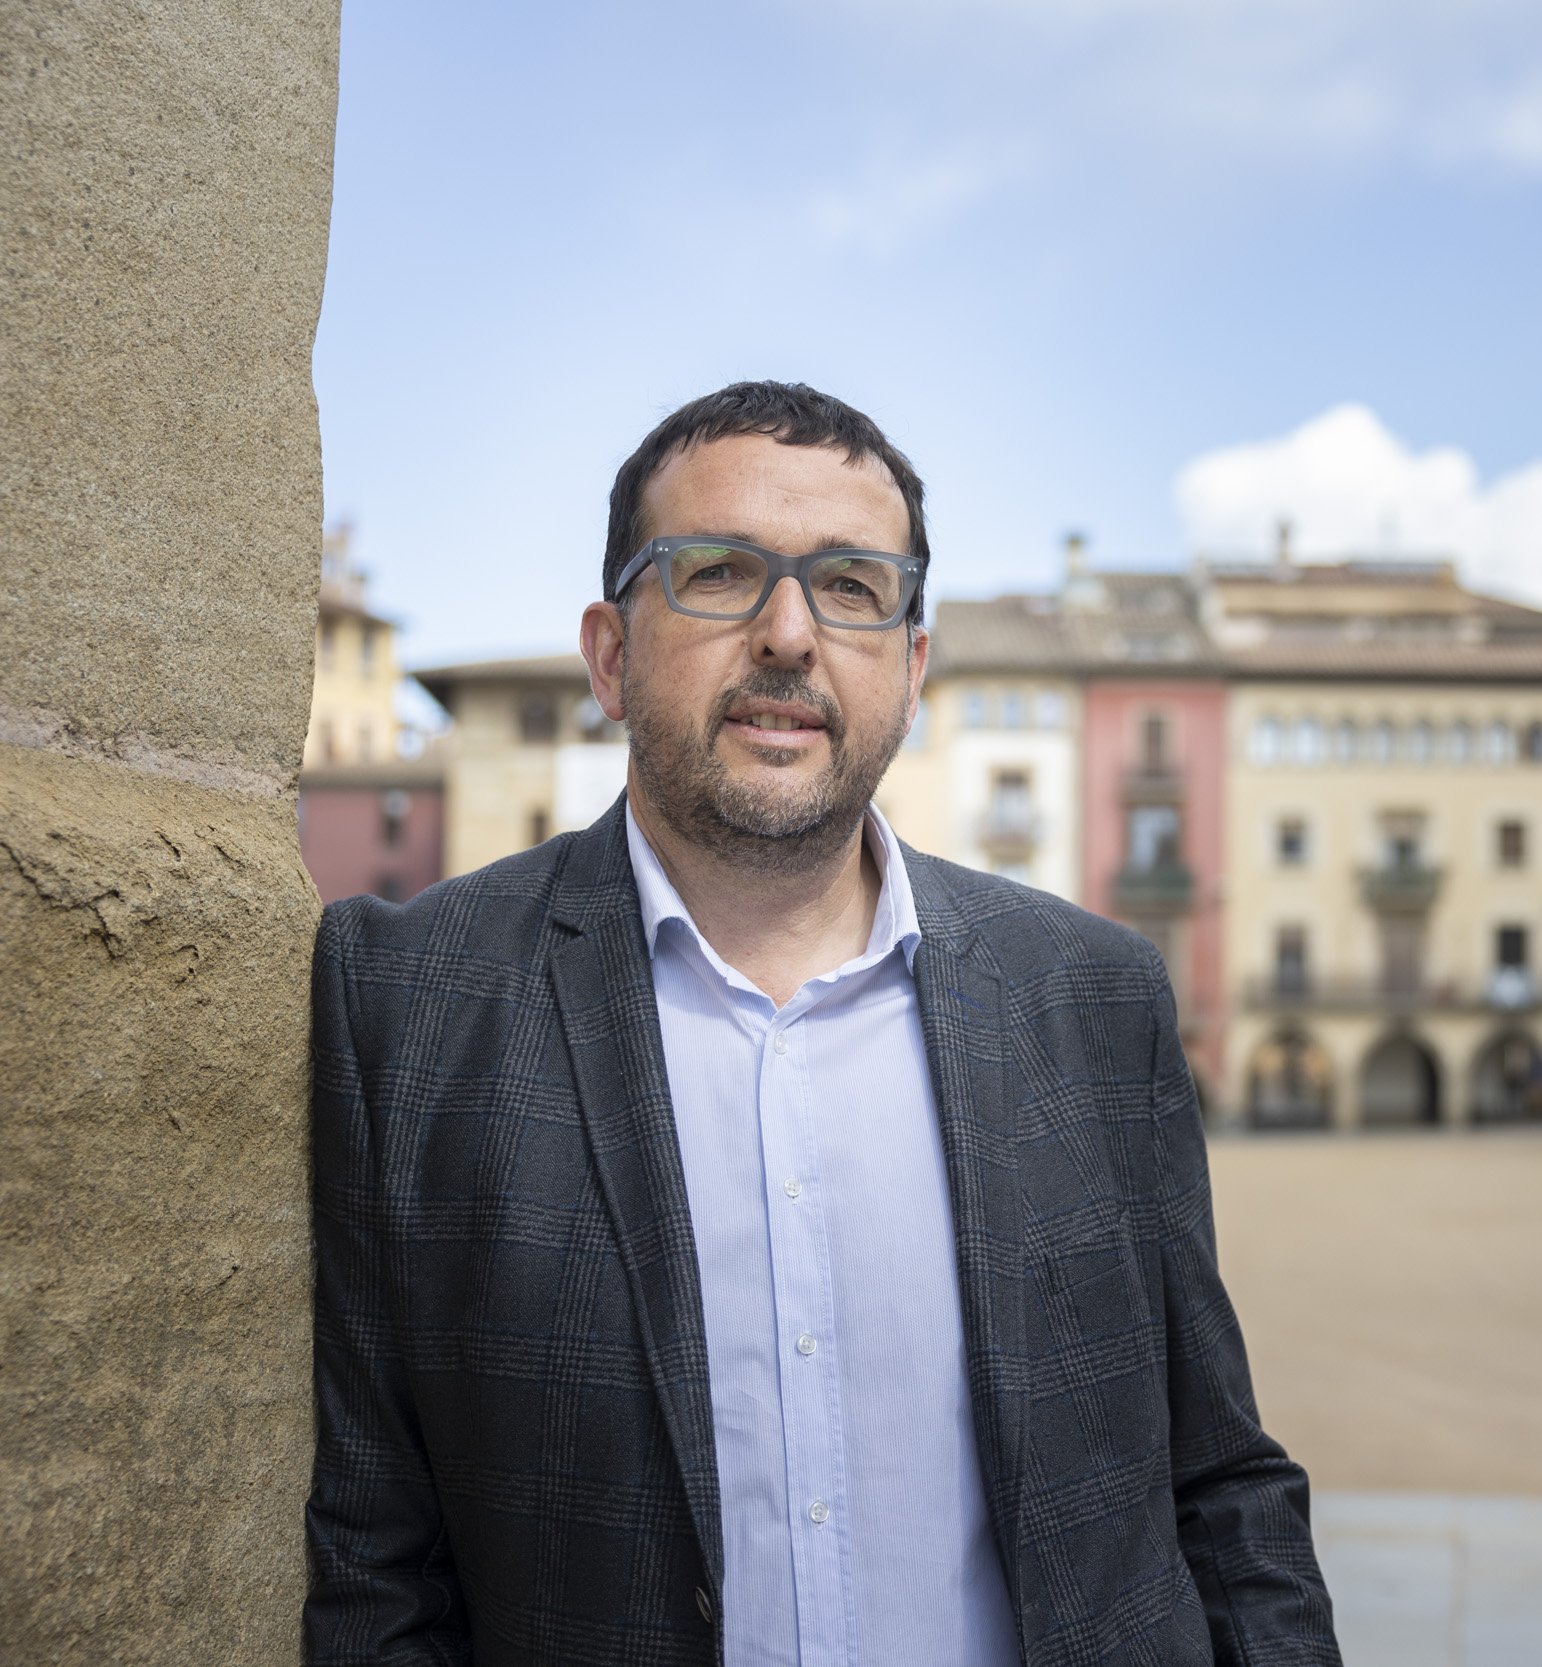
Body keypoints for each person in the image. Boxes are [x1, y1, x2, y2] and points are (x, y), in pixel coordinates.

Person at [304, 383, 1339, 1665]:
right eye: (720, 572)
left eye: (851, 585)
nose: (789, 632)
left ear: (910, 664)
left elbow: (1221, 1481)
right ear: (611, 651)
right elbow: (373, 1558)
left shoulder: (1091, 996)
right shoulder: (403, 1002)